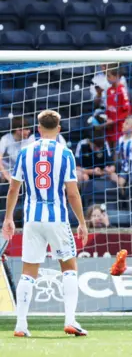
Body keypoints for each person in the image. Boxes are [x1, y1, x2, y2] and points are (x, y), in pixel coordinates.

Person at [1, 110, 88, 337]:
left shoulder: (24, 152)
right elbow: (72, 193)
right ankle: (70, 320)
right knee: (69, 268)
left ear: (38, 129)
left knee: (28, 271)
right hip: (57, 219)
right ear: (58, 129)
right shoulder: (65, 153)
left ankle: (21, 325)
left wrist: (8, 218)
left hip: (31, 219)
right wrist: (82, 222)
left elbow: (13, 188)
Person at [0, 117, 35, 182]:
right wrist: (7, 176)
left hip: (22, 173)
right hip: (6, 173)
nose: (29, 131)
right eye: (26, 129)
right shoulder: (5, 139)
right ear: (18, 130)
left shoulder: (30, 140)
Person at [105, 68, 131, 148]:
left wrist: (114, 120)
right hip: (109, 126)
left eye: (109, 76)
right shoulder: (109, 90)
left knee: (117, 150)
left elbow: (128, 111)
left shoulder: (122, 90)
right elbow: (109, 108)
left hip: (119, 126)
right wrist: (106, 119)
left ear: (117, 76)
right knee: (110, 150)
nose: (107, 78)